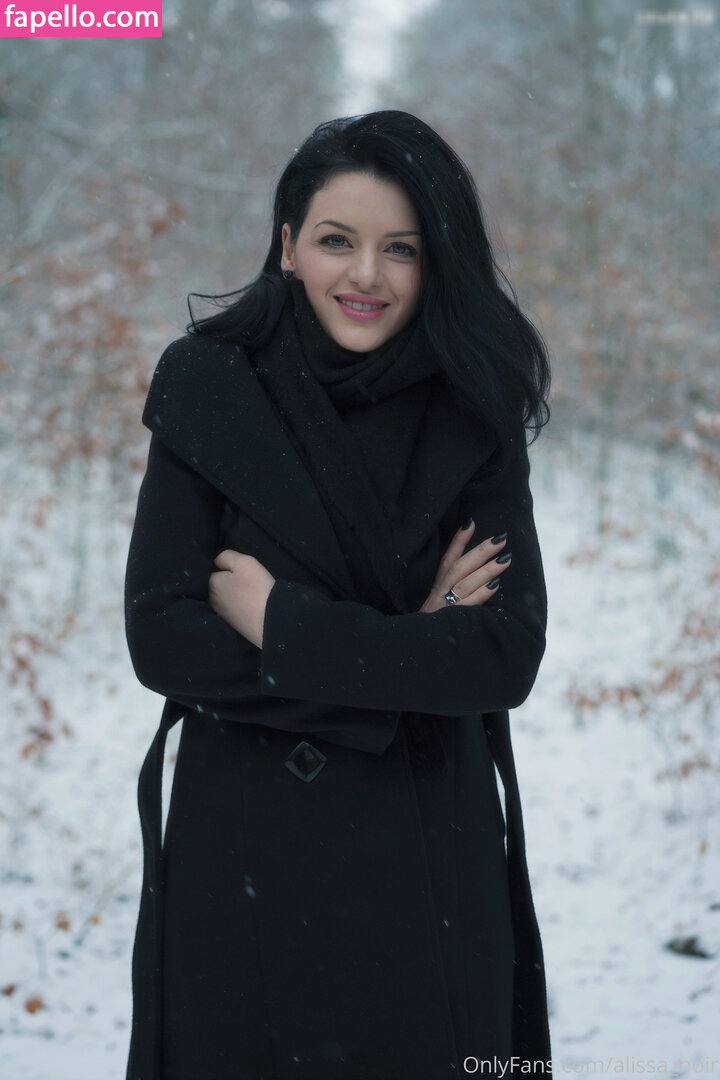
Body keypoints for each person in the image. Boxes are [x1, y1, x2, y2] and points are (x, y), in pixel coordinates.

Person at [123, 109, 552, 1080]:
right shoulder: (207, 383)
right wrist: (410, 653)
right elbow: (163, 638)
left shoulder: (471, 402)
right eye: (335, 240)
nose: (367, 275)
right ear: (286, 246)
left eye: (401, 248)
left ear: (436, 262)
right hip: (244, 850)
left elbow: (501, 657)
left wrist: (283, 625)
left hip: (427, 851)